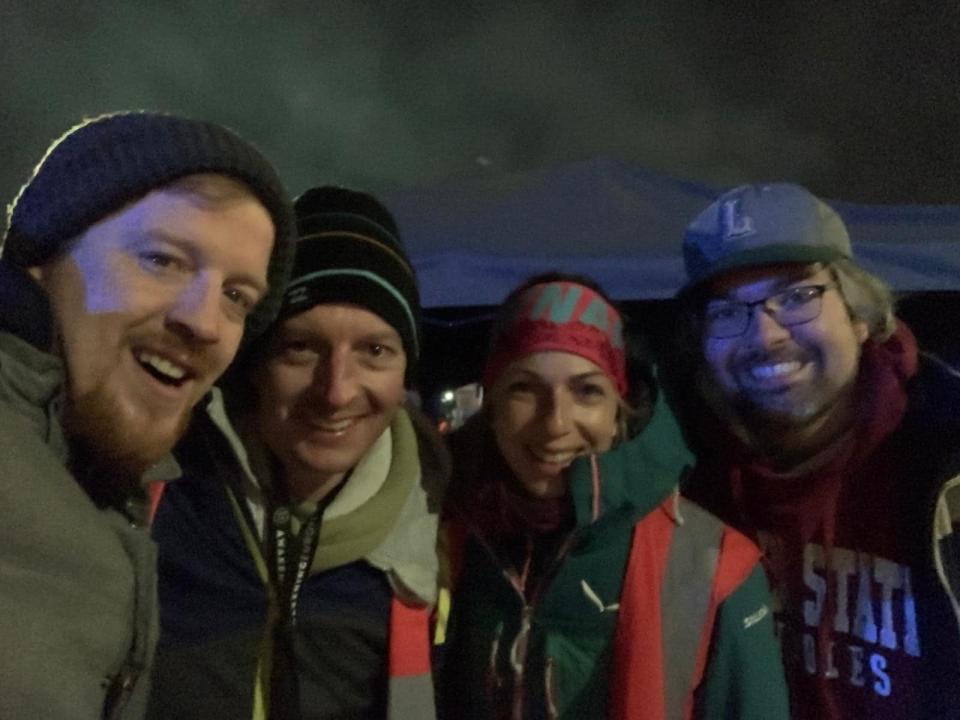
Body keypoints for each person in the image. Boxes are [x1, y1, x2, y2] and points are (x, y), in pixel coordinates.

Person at [0, 111, 294, 720]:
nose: (206, 322)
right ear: (41, 259)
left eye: (237, 297)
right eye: (162, 260)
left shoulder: (97, 479)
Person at [148, 186, 447, 719]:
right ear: (255, 364)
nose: (336, 391)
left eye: (374, 351)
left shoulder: (449, 522)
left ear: (406, 371)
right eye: (301, 348)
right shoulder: (156, 491)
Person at [440, 273, 788, 719]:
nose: (555, 424)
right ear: (492, 408)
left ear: (620, 413)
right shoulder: (448, 537)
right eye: (524, 388)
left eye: (587, 391)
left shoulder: (711, 566)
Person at [672, 182, 960, 719]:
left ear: (858, 314)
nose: (766, 335)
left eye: (797, 297)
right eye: (727, 312)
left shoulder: (945, 460)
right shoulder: (681, 483)